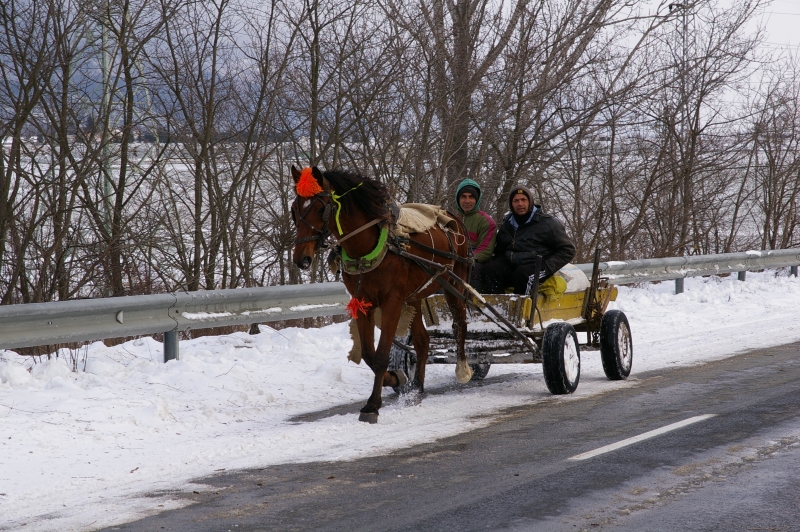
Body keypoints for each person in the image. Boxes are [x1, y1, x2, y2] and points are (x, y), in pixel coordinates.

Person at [481, 185, 575, 295]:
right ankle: (497, 307)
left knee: (522, 274)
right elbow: (500, 250)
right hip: (512, 264)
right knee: (489, 270)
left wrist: (547, 266)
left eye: (523, 200)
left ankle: (519, 310)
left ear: (530, 201)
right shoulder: (508, 224)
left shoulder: (548, 223)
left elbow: (568, 250)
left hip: (537, 265)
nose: (520, 204)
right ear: (511, 204)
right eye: (516, 201)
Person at [455, 179, 496, 292]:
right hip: (454, 258)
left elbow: (485, 250)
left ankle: (475, 303)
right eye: (463, 196)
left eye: (471, 197)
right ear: (458, 199)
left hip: (476, 261)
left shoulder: (486, 221)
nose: (467, 201)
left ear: (477, 199)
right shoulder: (451, 220)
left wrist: (468, 259)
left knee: (472, 269)